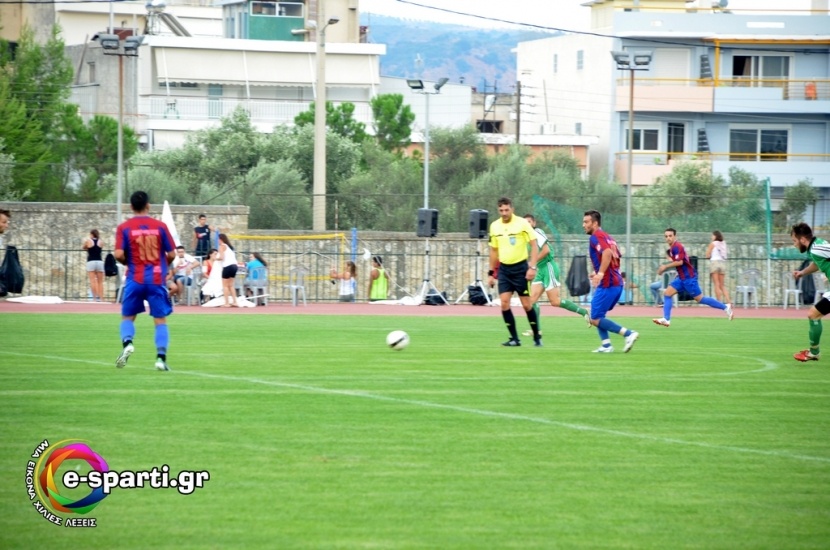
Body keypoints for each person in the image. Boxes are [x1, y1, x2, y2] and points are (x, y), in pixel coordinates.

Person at [114, 191, 176, 371]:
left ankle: (128, 343)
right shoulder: (160, 226)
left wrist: (129, 263)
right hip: (156, 279)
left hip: (135, 278)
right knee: (160, 320)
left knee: (128, 317)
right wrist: (163, 265)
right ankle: (160, 358)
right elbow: (172, 254)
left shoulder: (124, 227)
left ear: (131, 207)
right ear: (148, 205)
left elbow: (118, 254)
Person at [522, 214, 590, 337]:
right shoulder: (527, 239)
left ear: (534, 223)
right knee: (531, 300)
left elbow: (546, 250)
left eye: (529, 222)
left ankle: (584, 312)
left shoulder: (537, 232)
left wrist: (532, 262)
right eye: (524, 222)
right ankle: (536, 330)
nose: (527, 224)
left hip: (549, 267)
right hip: (540, 269)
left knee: (555, 301)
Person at [582, 210, 639, 353]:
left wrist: (600, 273)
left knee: (594, 318)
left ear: (595, 223)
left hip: (608, 284)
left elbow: (607, 253)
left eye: (586, 222)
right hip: (616, 283)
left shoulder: (596, 236)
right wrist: (597, 271)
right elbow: (614, 259)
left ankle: (628, 333)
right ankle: (606, 345)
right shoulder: (609, 237)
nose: (583, 225)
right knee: (598, 315)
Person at [487, 197, 540, 347]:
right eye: (501, 210)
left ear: (512, 209)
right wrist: (491, 273)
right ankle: (515, 339)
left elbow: (534, 245)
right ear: (498, 210)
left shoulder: (522, 223)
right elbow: (493, 250)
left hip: (521, 269)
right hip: (504, 269)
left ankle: (536, 336)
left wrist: (532, 267)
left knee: (526, 305)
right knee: (504, 304)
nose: (504, 213)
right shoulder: (494, 226)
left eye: (506, 210)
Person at [653, 228, 733, 327]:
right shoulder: (673, 248)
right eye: (666, 236)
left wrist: (665, 266)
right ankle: (666, 319)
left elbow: (680, 262)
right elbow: (682, 263)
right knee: (667, 294)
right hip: (682, 278)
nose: (668, 238)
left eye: (670, 236)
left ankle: (725, 307)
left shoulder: (677, 247)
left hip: (689, 278)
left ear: (675, 236)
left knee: (700, 299)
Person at [791, 222, 830, 362]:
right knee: (814, 314)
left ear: (802, 239)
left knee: (813, 314)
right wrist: (802, 272)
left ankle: (814, 352)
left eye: (795, 241)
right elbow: (817, 263)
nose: (794, 244)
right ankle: (814, 352)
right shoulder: (815, 247)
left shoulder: (817, 248)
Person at [706, 230, 731, 305]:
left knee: (716, 284)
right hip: (722, 263)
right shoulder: (723, 244)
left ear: (715, 236)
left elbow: (707, 255)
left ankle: (719, 302)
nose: (711, 237)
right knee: (722, 285)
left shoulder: (713, 244)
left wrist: (709, 256)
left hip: (715, 263)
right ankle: (728, 301)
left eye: (712, 235)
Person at [83, 229, 105, 302]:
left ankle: (94, 298)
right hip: (99, 261)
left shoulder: (89, 241)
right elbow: (100, 248)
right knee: (100, 281)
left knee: (92, 281)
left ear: (92, 234)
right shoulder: (101, 241)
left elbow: (84, 247)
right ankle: (101, 298)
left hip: (91, 261)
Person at [218, 233, 239, 307]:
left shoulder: (222, 246)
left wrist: (215, 259)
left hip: (227, 266)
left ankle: (226, 303)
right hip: (234, 266)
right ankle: (235, 301)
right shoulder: (230, 247)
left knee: (225, 285)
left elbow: (222, 257)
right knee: (231, 285)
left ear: (220, 239)